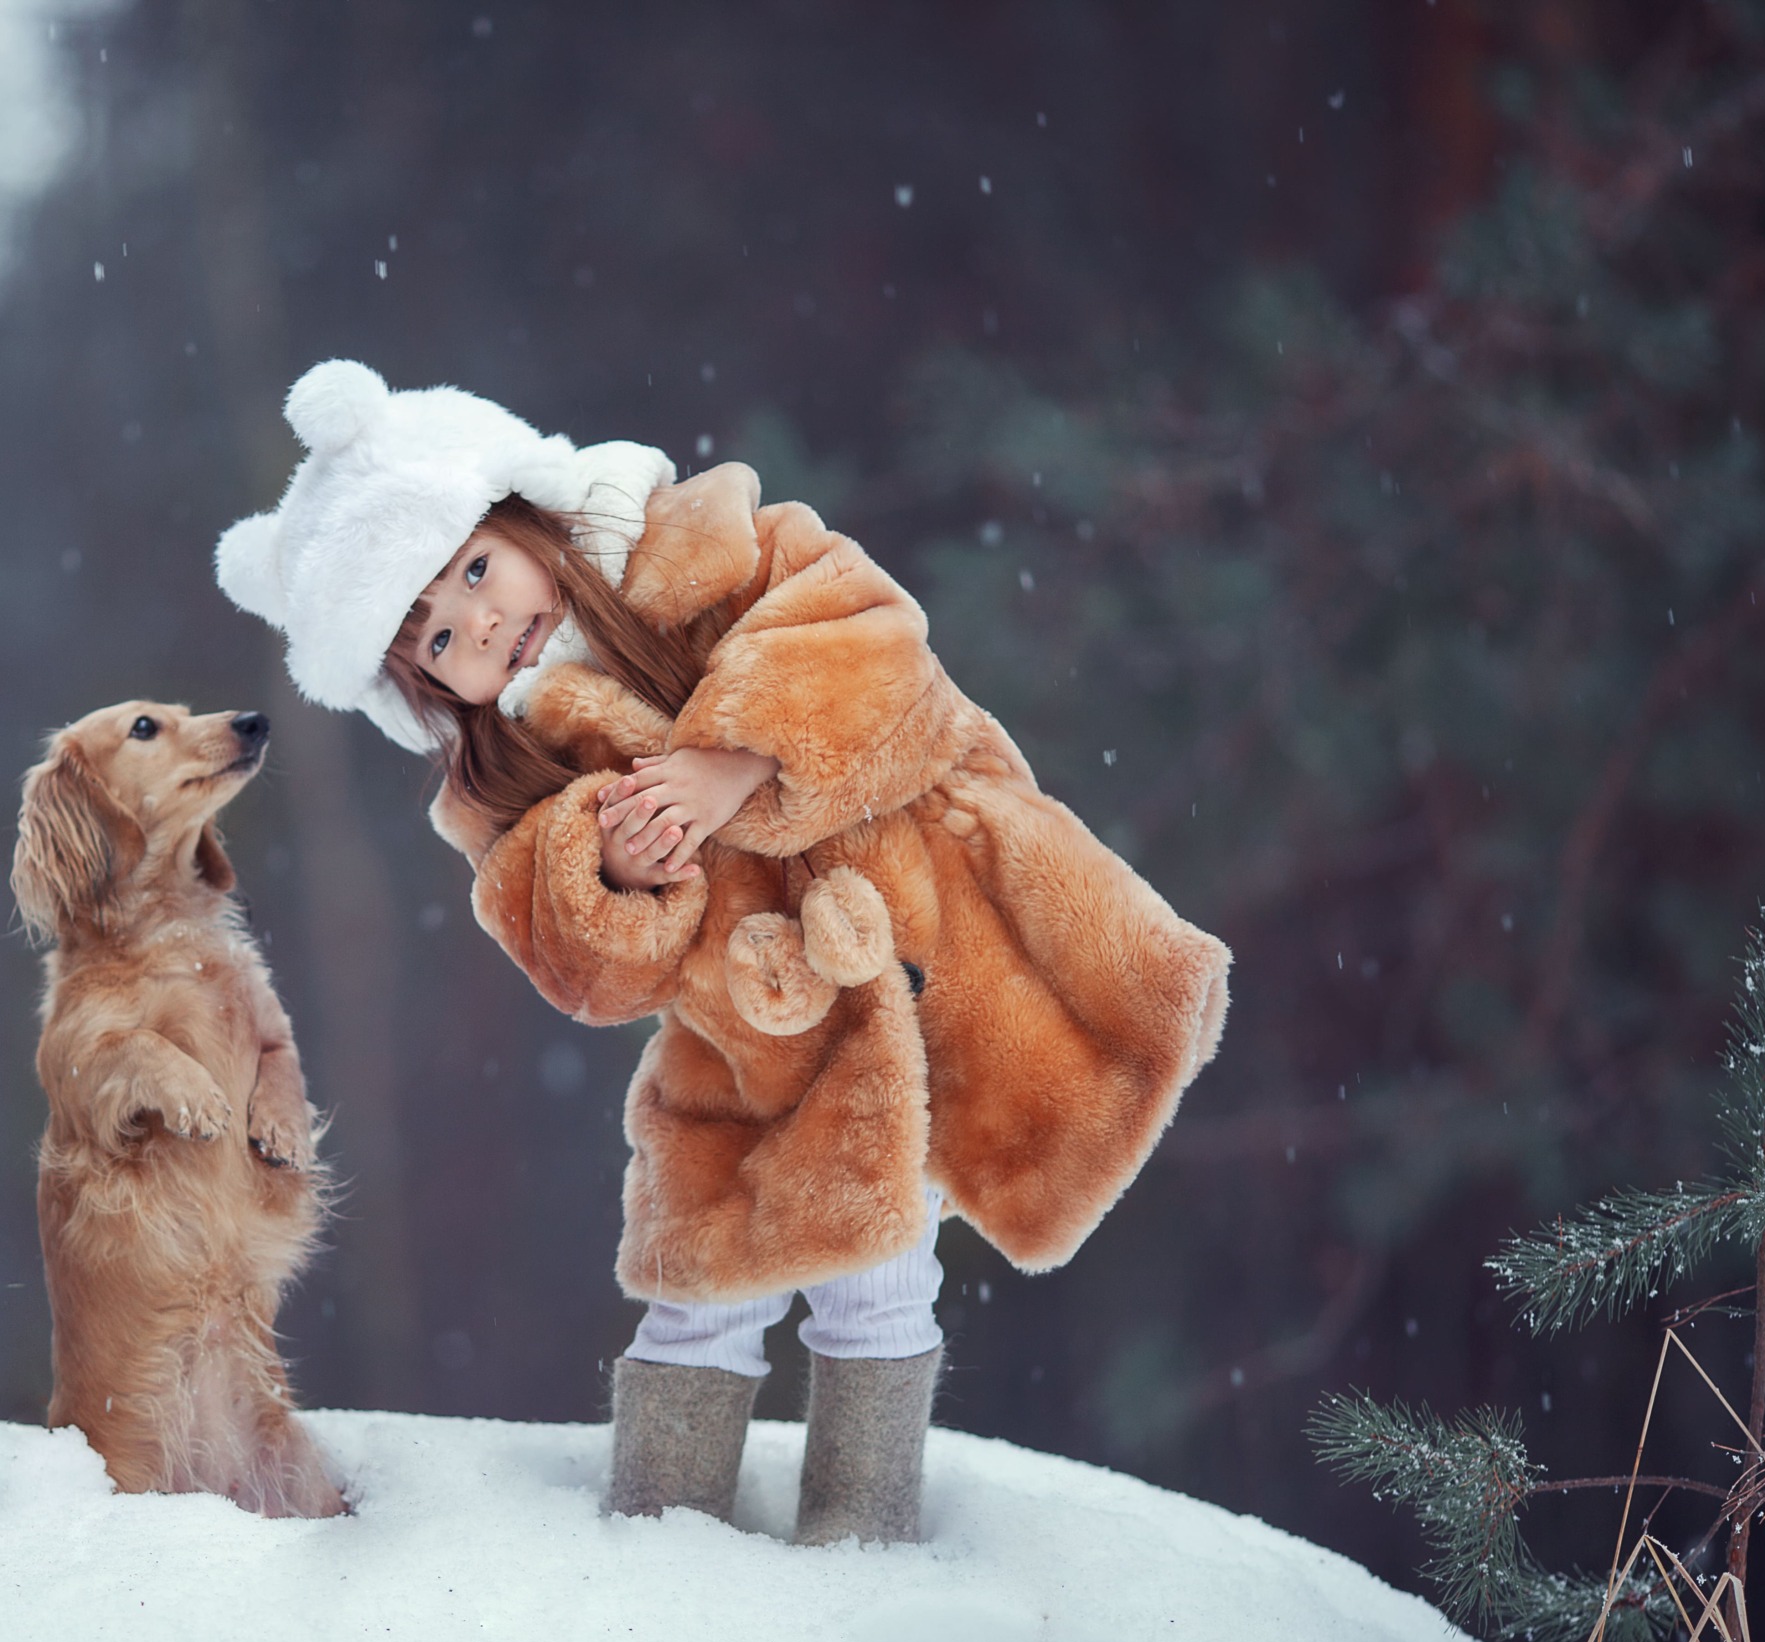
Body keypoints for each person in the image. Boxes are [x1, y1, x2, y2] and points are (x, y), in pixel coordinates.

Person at [216, 360, 1230, 1544]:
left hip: (906, 934)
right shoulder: (505, 786)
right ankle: (659, 1547)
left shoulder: (698, 548)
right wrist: (622, 882)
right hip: (740, 1041)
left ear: (520, 511)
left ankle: (863, 1543)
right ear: (430, 689)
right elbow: (579, 971)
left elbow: (878, 641)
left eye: (477, 570)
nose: (484, 621)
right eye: (444, 637)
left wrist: (738, 758)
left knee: (886, 1268)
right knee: (697, 1285)